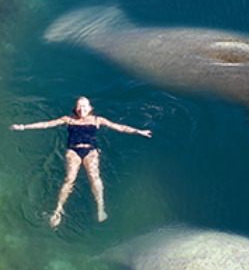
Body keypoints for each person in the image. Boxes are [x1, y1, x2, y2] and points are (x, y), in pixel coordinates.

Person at [10, 96, 152, 228]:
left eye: (84, 106)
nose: (81, 109)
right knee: (69, 179)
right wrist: (23, 126)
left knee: (94, 177)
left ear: (90, 108)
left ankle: (100, 208)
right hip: (73, 151)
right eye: (78, 107)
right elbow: (46, 124)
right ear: (75, 108)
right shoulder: (69, 119)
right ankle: (57, 211)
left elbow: (119, 127)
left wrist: (139, 131)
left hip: (91, 151)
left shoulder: (97, 120)